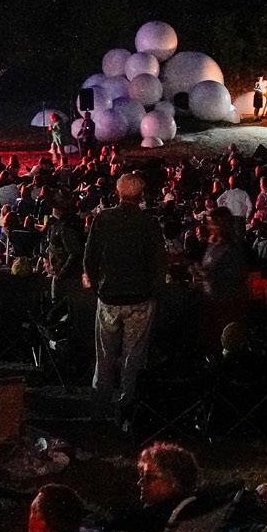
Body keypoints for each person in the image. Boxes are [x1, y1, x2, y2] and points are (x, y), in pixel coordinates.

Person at [83, 172, 166, 425]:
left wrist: (98, 288)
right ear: (140, 196)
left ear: (118, 193)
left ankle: (100, 410)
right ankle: (126, 411)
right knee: (133, 357)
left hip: (109, 298)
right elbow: (159, 263)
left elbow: (89, 258)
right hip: (140, 299)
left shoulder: (103, 218)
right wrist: (153, 291)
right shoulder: (149, 223)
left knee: (104, 356)